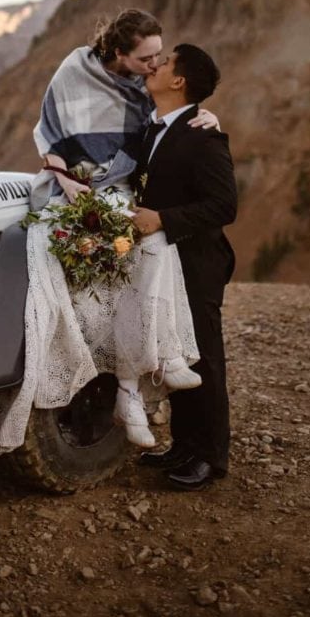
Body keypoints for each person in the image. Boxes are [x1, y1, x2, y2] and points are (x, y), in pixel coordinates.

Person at [0, 10, 218, 458]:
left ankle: (156, 362)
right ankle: (125, 386)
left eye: (160, 56)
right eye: (146, 57)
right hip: (74, 185)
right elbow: (51, 130)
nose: (155, 65)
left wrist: (206, 117)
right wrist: (62, 175)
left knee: (151, 245)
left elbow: (168, 118)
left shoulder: (144, 90)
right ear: (119, 52)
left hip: (122, 186)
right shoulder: (74, 70)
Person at [131, 44, 238, 490]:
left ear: (179, 82)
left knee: (204, 358)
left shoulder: (204, 137)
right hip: (163, 264)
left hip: (196, 262)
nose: (155, 65)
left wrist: (164, 220)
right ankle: (183, 444)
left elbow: (224, 205)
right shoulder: (153, 129)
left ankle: (211, 457)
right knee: (176, 351)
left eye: (166, 62)